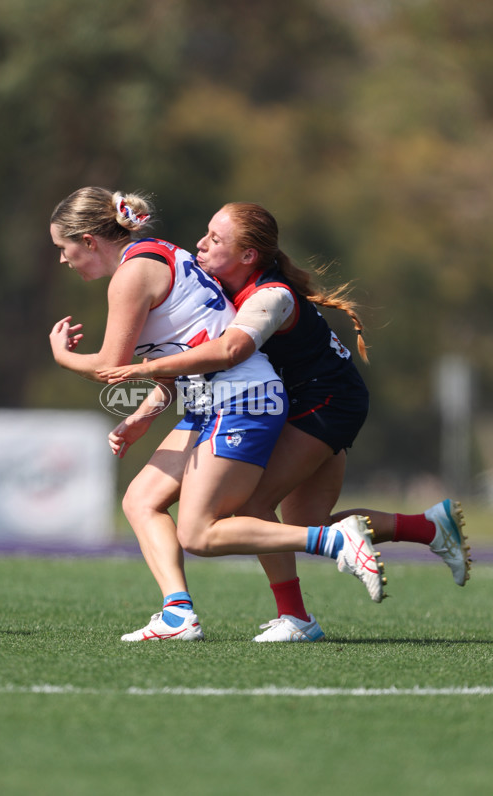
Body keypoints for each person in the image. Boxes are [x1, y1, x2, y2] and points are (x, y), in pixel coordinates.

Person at [100, 202, 470, 642]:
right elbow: (193, 367)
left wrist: (132, 370)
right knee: (308, 521)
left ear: (249, 256)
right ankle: (428, 527)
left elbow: (227, 353)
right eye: (205, 233)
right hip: (300, 401)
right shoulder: (215, 284)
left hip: (324, 403)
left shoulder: (269, 296)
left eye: (215, 240)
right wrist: (145, 412)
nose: (200, 244)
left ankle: (296, 618)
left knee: (253, 505)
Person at [49, 187, 387, 641]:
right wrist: (147, 414)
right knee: (140, 500)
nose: (63, 260)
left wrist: (62, 356)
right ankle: (178, 615)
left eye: (63, 248)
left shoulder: (130, 275)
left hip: (240, 399)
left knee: (199, 534)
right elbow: (185, 343)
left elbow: (113, 366)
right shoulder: (159, 254)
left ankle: (332, 540)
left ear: (89, 240)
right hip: (214, 400)